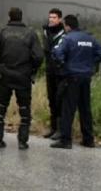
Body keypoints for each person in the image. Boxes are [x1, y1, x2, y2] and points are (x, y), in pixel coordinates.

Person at [0, 7, 43, 150]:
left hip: (4, 75)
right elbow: (39, 56)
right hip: (23, 76)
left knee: (1, 107)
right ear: (21, 17)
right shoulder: (31, 33)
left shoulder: (1, 31)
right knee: (24, 109)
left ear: (9, 16)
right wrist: (32, 69)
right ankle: (22, 142)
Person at [51, 15, 101, 149]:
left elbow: (58, 53)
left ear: (68, 26)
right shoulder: (89, 38)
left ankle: (65, 140)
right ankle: (88, 139)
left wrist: (63, 64)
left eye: (64, 26)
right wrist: (91, 63)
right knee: (85, 109)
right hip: (86, 77)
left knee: (68, 109)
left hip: (71, 77)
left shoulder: (68, 38)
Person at [42, 8, 66, 139]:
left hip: (60, 72)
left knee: (59, 100)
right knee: (51, 99)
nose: (51, 20)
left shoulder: (64, 33)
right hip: (49, 70)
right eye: (50, 17)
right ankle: (53, 128)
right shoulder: (45, 31)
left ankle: (61, 130)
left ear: (60, 19)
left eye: (54, 17)